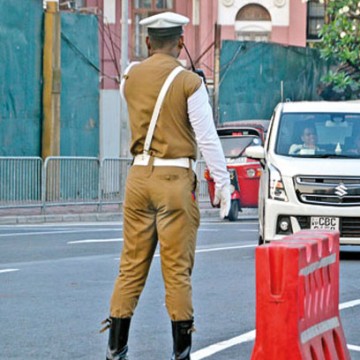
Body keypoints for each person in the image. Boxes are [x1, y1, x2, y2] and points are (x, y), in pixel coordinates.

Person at [101, 12, 231, 360]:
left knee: (130, 266)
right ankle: (181, 355)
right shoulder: (189, 82)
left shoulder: (130, 76)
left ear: (147, 42)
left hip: (138, 177)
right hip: (174, 180)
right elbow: (207, 138)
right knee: (176, 271)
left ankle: (116, 351)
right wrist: (223, 182)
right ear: (181, 42)